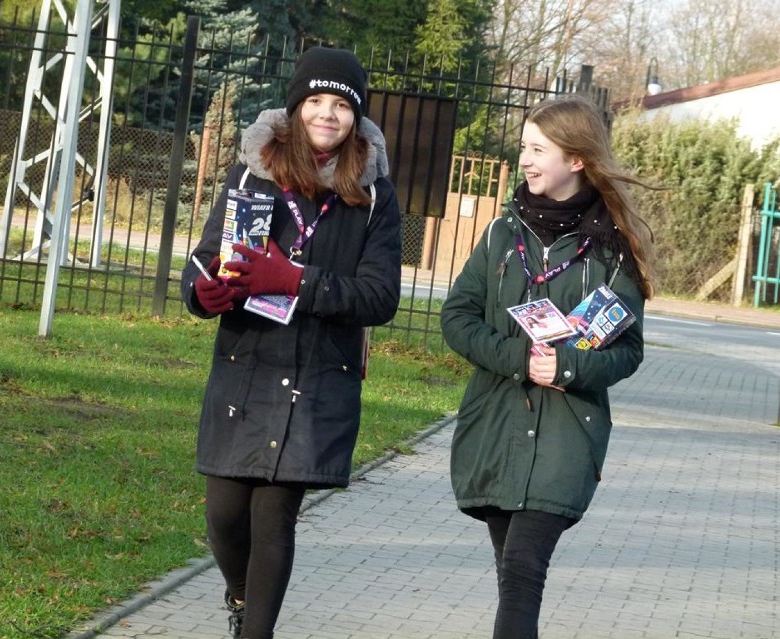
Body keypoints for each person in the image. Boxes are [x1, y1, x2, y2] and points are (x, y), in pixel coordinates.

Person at [181, 46, 402, 639]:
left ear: (356, 117)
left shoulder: (374, 194)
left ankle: (257, 631)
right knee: (225, 517)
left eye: (341, 105)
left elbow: (380, 297)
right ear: (296, 105)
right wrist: (205, 294)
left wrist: (296, 281)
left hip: (317, 378)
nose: (327, 115)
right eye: (316, 102)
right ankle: (240, 596)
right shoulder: (251, 174)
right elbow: (204, 262)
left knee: (274, 518)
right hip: (246, 366)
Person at [439, 95, 655, 638]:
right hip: (494, 426)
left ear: (576, 158)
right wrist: (520, 359)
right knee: (512, 575)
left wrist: (565, 368)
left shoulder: (614, 249)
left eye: (538, 149)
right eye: (523, 148)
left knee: (521, 571)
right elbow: (457, 317)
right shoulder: (499, 235)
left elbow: (628, 350)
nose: (526, 160)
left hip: (566, 434)